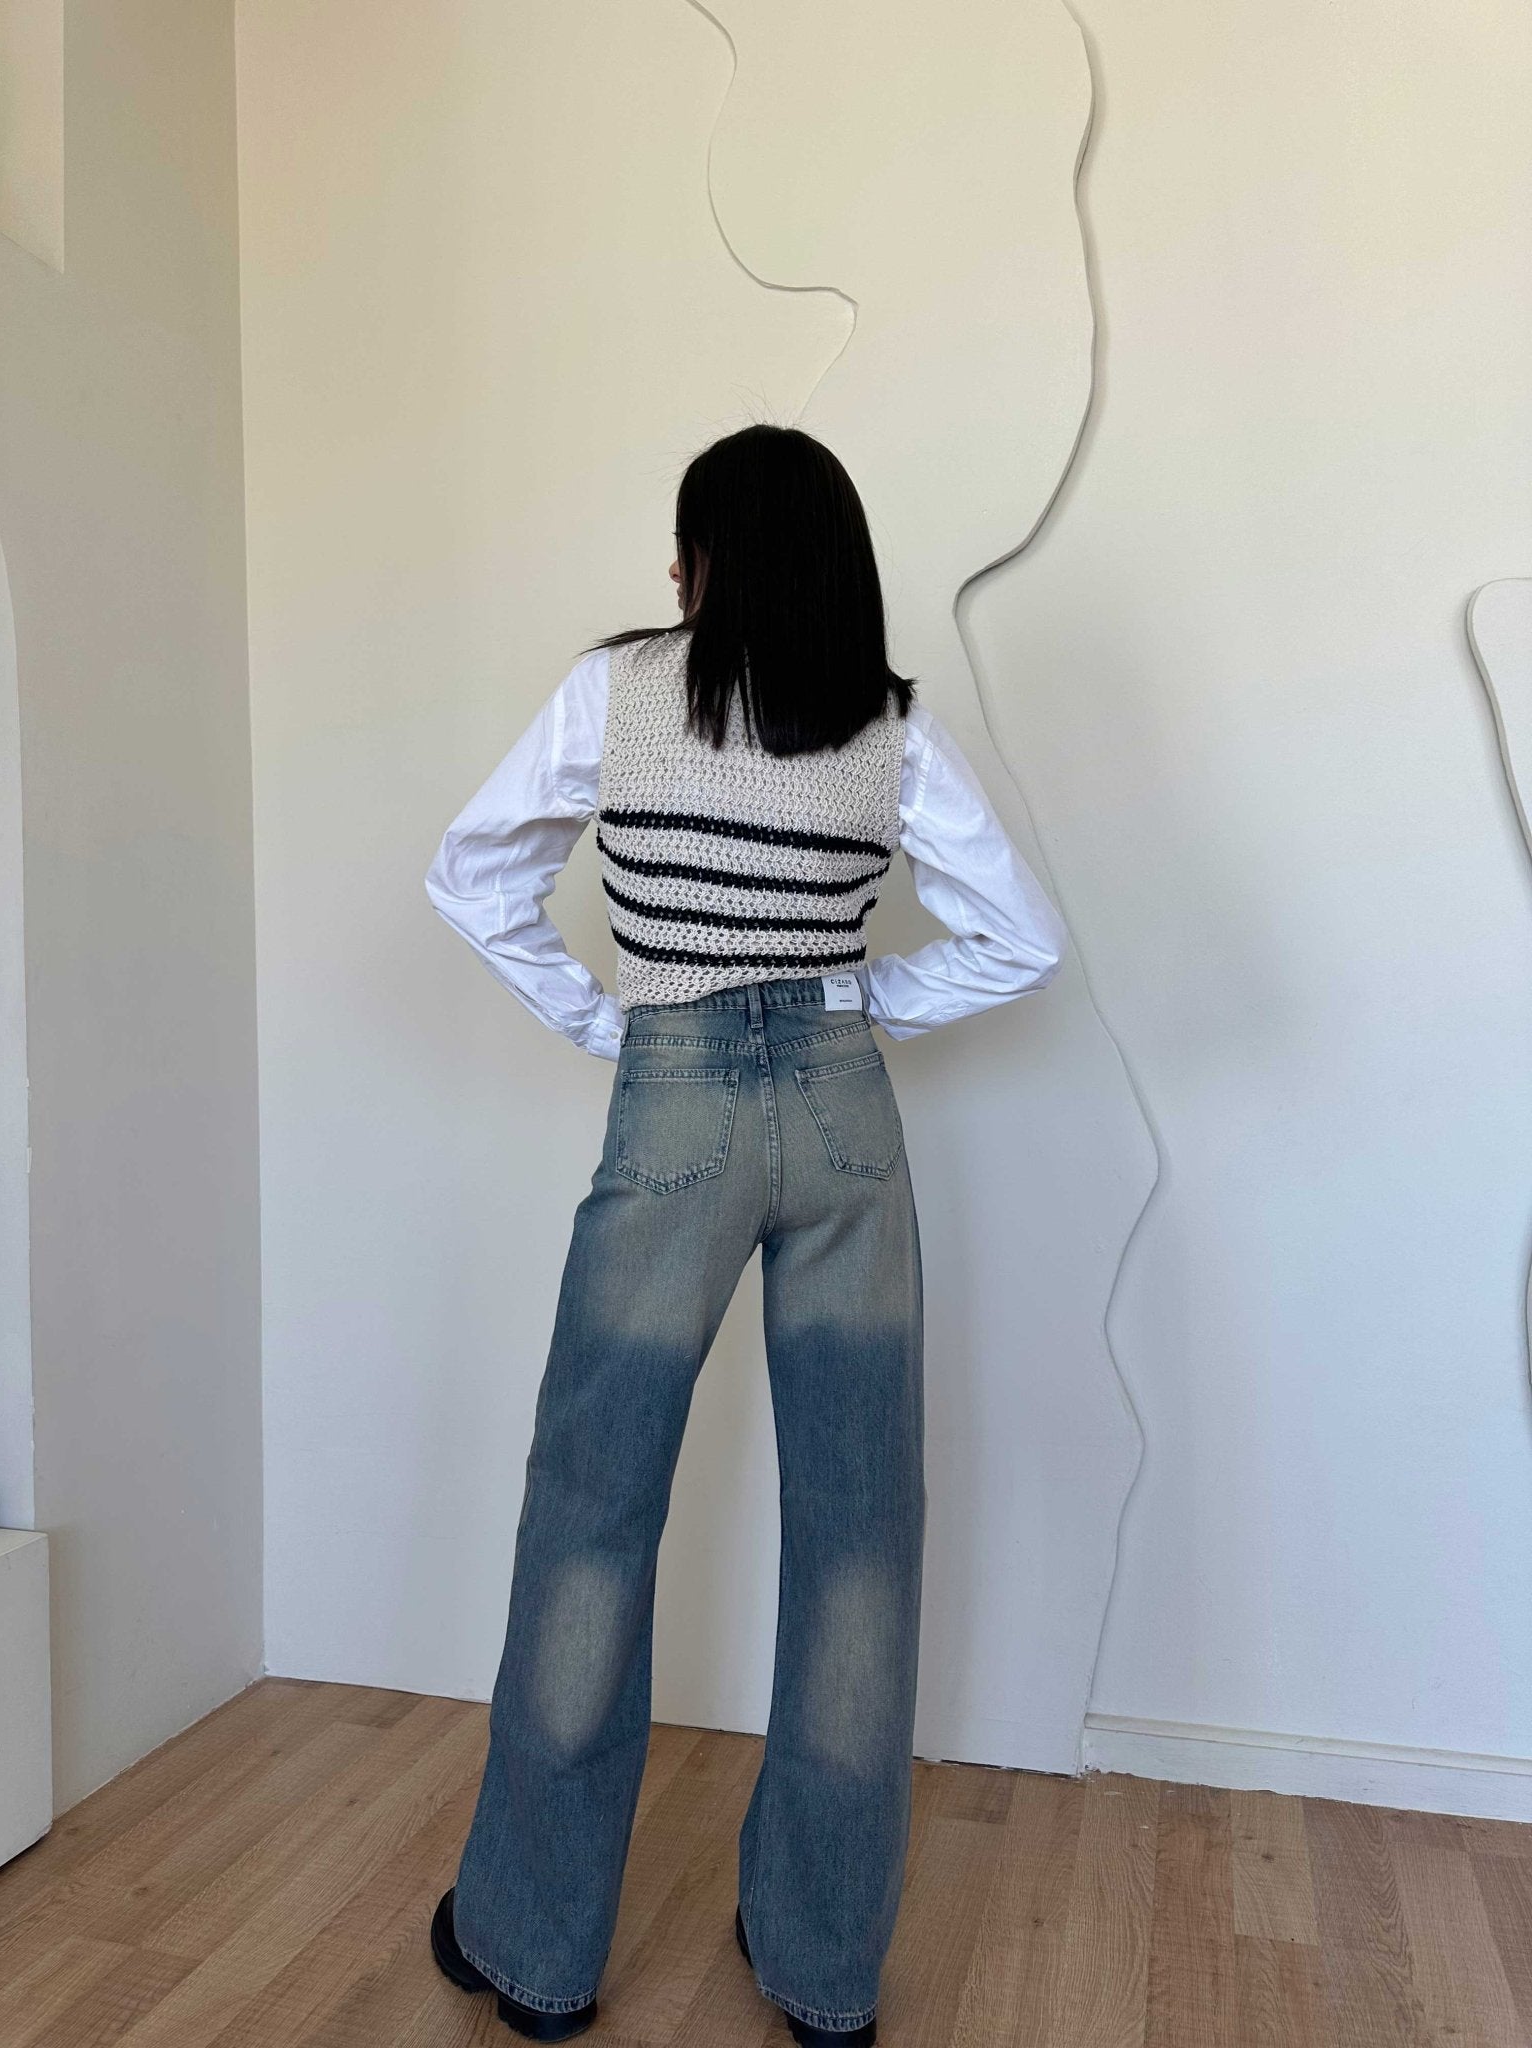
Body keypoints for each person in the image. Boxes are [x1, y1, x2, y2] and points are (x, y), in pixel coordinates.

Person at [422, 424, 1067, 2043]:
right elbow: (1023, 938)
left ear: (708, 559)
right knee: (860, 1530)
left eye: (684, 541)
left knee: (592, 1506)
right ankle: (825, 1976)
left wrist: (612, 1022)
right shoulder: (889, 728)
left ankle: (536, 1952)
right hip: (846, 1116)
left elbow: (470, 875)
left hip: (678, 1108)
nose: (668, 568)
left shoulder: (619, 693)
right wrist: (861, 1001)